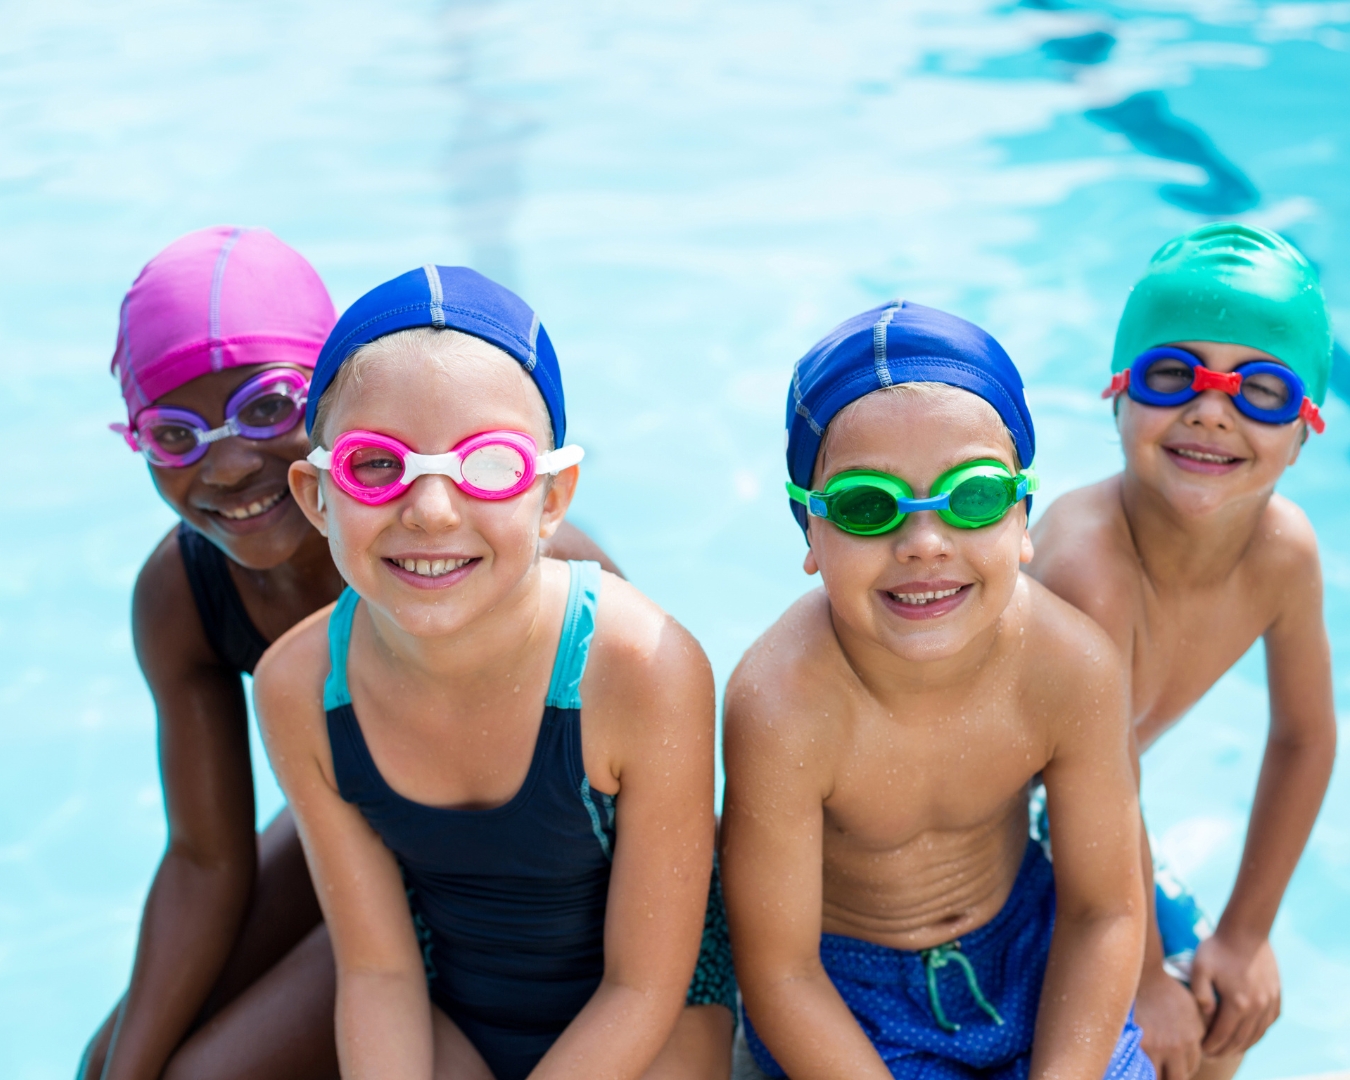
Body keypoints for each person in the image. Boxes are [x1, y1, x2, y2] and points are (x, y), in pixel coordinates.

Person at [80, 229, 615, 1080]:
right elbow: (204, 856)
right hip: (356, 837)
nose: (225, 465)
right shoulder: (184, 594)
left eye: (265, 407)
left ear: (332, 406)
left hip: (500, 887)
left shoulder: (465, 561)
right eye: (173, 434)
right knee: (108, 1059)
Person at [253, 265, 736, 1080]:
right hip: (449, 1012)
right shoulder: (299, 688)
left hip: (653, 1020)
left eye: (487, 466)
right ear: (315, 496)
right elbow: (378, 971)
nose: (433, 510)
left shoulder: (640, 669)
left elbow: (644, 987)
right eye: (377, 465)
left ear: (551, 499)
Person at [720, 300, 1151, 1080]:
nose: (923, 543)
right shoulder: (782, 705)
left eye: (973, 496)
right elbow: (781, 972)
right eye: (866, 506)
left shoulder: (1070, 664)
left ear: (1023, 516)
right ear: (809, 532)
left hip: (1031, 956)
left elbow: (1104, 913)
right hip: (850, 998)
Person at [1028, 223, 1337, 1080]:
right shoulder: (1090, 563)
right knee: (1155, 1040)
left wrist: (1246, 933)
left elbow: (1305, 738)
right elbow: (1091, 778)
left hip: (1088, 814)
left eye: (1261, 390)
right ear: (1117, 394)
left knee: (1216, 1021)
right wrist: (1136, 980)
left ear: (1306, 427)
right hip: (994, 836)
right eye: (1175, 376)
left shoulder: (1285, 552)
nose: (1211, 410)